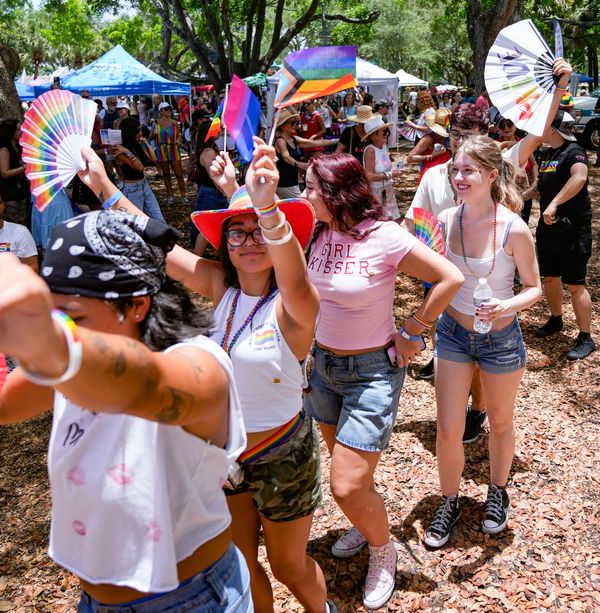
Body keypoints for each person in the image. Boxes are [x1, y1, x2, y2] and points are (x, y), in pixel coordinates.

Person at [0, 176, 254, 613]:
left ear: (136, 305)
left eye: (71, 315)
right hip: (95, 602)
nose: (60, 327)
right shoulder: (65, 360)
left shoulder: (199, 365)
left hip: (195, 598)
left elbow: (138, 384)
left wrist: (46, 337)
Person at [81, 138, 336, 613]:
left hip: (282, 450)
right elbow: (157, 243)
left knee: (288, 566)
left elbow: (295, 277)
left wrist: (267, 210)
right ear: (225, 246)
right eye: (236, 234)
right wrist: (103, 187)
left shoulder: (295, 304)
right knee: (242, 562)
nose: (249, 241)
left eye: (258, 232)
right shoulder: (221, 286)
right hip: (222, 454)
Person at [302, 153, 463, 610]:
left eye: (311, 187)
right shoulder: (316, 231)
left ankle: (382, 549)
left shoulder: (384, 235)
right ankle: (365, 521)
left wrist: (414, 328)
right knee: (353, 475)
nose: (305, 195)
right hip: (323, 368)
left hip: (371, 372)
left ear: (336, 193)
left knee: (346, 485)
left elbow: (449, 278)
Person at [404, 57, 572, 429]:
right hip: (445, 281)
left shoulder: (502, 162)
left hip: (488, 285)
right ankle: (455, 417)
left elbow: (537, 133)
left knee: (484, 359)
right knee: (451, 350)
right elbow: (412, 225)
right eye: (456, 134)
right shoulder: (434, 176)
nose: (461, 143)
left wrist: (560, 87)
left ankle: (478, 410)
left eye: (470, 134)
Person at [422, 135, 542, 548]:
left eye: (469, 170)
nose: (459, 177)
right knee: (448, 428)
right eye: (455, 169)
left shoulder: (513, 227)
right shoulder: (444, 220)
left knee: (501, 422)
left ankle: (498, 491)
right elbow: (432, 271)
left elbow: (534, 288)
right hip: (453, 335)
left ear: (492, 175)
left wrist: (506, 305)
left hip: (501, 339)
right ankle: (449, 500)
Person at [532, 110, 595, 360]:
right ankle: (556, 319)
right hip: (548, 227)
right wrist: (520, 196)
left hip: (572, 228)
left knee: (575, 284)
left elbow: (579, 177)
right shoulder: (547, 153)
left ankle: (586, 337)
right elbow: (540, 185)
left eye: (544, 124)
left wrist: (555, 203)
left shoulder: (574, 152)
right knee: (550, 276)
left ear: (553, 129)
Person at [187, 120, 229, 255]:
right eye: (216, 128)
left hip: (210, 191)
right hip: (212, 193)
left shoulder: (209, 149)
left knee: (211, 225)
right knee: (207, 226)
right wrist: (225, 191)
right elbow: (213, 176)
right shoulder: (209, 152)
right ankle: (197, 256)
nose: (220, 131)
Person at [275, 109, 336, 199]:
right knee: (302, 204)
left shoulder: (294, 139)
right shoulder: (280, 140)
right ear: (283, 126)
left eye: (295, 123)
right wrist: (301, 165)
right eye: (292, 123)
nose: (295, 125)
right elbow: (286, 157)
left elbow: (315, 143)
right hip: (285, 183)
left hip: (292, 181)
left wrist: (335, 141)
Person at [110, 117, 163, 221]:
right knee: (138, 222)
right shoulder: (119, 150)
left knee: (159, 219)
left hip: (144, 184)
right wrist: (126, 151)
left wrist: (146, 142)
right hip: (132, 189)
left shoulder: (135, 145)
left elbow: (153, 159)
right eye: (138, 131)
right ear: (131, 132)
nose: (140, 133)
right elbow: (140, 167)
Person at [496, 118, 538, 224]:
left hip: (525, 190)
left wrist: (535, 182)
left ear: (515, 126)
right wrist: (506, 144)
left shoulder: (524, 143)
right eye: (502, 125)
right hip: (504, 192)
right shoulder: (495, 145)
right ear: (498, 129)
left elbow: (534, 164)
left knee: (523, 221)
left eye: (509, 124)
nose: (506, 127)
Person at [0, 118, 31, 228]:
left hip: (21, 191)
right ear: (10, 131)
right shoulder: (4, 149)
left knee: (23, 222)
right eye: (18, 129)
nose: (21, 131)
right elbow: (4, 173)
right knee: (13, 223)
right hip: (10, 194)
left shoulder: (18, 147)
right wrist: (24, 167)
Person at [362, 117, 401, 219]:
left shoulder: (383, 147)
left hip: (387, 190)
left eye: (387, 131)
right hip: (376, 193)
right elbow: (368, 176)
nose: (387, 134)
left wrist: (392, 173)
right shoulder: (370, 150)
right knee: (381, 219)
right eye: (384, 132)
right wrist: (390, 175)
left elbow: (384, 168)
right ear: (375, 135)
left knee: (392, 218)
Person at [154, 102, 188, 204]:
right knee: (166, 174)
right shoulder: (156, 123)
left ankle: (183, 196)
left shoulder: (174, 122)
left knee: (179, 174)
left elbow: (179, 136)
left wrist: (178, 140)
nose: (169, 111)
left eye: (170, 108)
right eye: (166, 109)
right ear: (161, 111)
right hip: (161, 149)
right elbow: (152, 137)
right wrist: (152, 132)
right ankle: (170, 196)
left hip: (173, 148)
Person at [407, 108, 451, 183]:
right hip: (431, 178)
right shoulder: (428, 138)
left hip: (444, 177)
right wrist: (431, 156)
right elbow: (410, 158)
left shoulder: (447, 138)